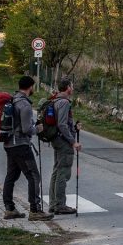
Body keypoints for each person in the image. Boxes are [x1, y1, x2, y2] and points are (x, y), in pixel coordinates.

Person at [2, 76, 53, 221]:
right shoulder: (24, 104)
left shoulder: (13, 99)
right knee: (34, 176)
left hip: (9, 144)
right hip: (20, 145)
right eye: (33, 87)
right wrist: (37, 128)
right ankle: (35, 210)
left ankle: (9, 209)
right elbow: (26, 129)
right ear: (30, 87)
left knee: (11, 176)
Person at [48, 79, 81, 215]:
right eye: (72, 86)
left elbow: (61, 124)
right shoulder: (64, 102)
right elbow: (62, 124)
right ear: (68, 87)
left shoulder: (55, 101)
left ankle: (53, 204)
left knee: (56, 171)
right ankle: (60, 205)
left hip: (56, 140)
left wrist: (74, 127)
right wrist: (73, 142)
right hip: (63, 142)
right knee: (63, 172)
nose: (72, 88)